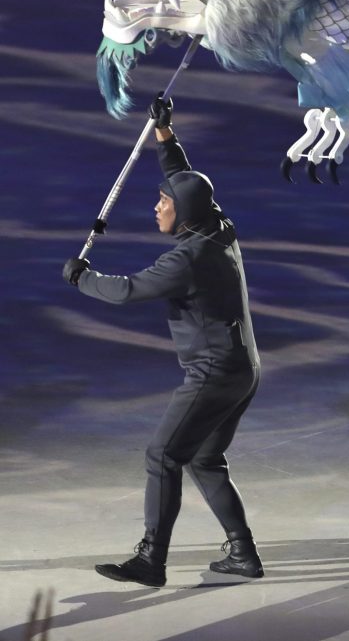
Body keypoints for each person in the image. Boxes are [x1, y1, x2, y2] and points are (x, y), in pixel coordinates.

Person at [63, 95, 263, 588]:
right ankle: (243, 554)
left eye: (164, 203)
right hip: (243, 369)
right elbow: (185, 180)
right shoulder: (220, 228)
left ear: (184, 212)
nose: (157, 207)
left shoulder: (185, 261)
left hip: (212, 373)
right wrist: (164, 132)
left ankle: (152, 559)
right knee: (204, 458)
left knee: (163, 456)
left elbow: (126, 290)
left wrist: (82, 278)